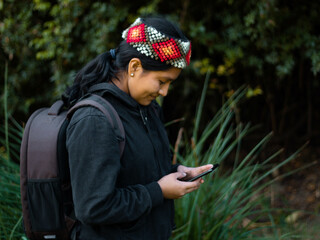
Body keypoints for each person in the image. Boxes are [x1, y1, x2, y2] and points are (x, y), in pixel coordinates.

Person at [63, 16, 213, 240]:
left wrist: (176, 173)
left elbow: (135, 173)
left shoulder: (147, 108)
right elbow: (93, 206)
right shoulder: (94, 120)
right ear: (134, 67)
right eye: (162, 81)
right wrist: (159, 191)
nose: (164, 92)